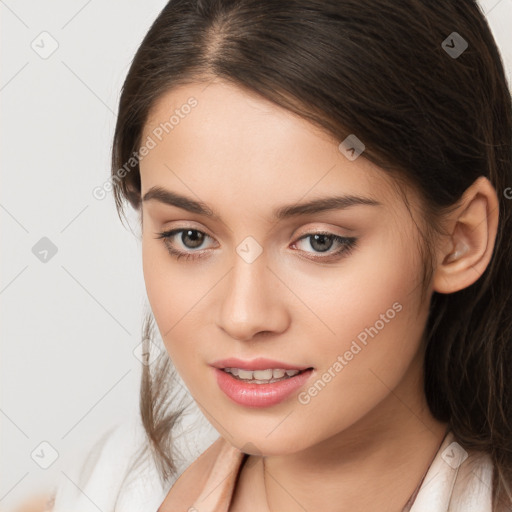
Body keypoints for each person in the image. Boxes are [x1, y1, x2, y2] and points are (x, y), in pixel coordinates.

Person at [47, 0, 512, 510]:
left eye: (320, 241)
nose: (243, 316)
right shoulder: (103, 486)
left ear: (460, 240)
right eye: (191, 237)